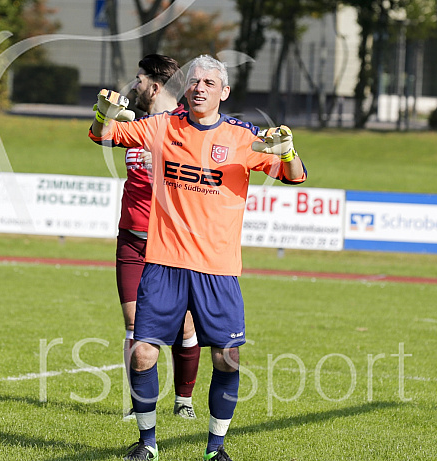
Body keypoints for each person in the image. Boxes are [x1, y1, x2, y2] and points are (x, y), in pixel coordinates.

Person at [90, 55, 307, 461]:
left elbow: (294, 175)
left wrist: (289, 152)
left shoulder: (244, 138)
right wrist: (102, 115)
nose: (200, 87)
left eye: (210, 82)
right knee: (143, 352)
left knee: (227, 357)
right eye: (195, 81)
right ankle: (147, 443)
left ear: (224, 92)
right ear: (185, 88)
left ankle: (215, 448)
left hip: (218, 269)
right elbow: (103, 135)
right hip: (164, 263)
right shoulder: (161, 126)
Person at [112, 54, 201, 422]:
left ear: (155, 85)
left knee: (184, 326)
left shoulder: (186, 128)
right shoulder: (134, 124)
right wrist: (104, 114)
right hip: (131, 241)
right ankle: (139, 406)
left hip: (172, 244)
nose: (134, 85)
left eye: (139, 79)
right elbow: (99, 136)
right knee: (135, 327)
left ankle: (184, 400)